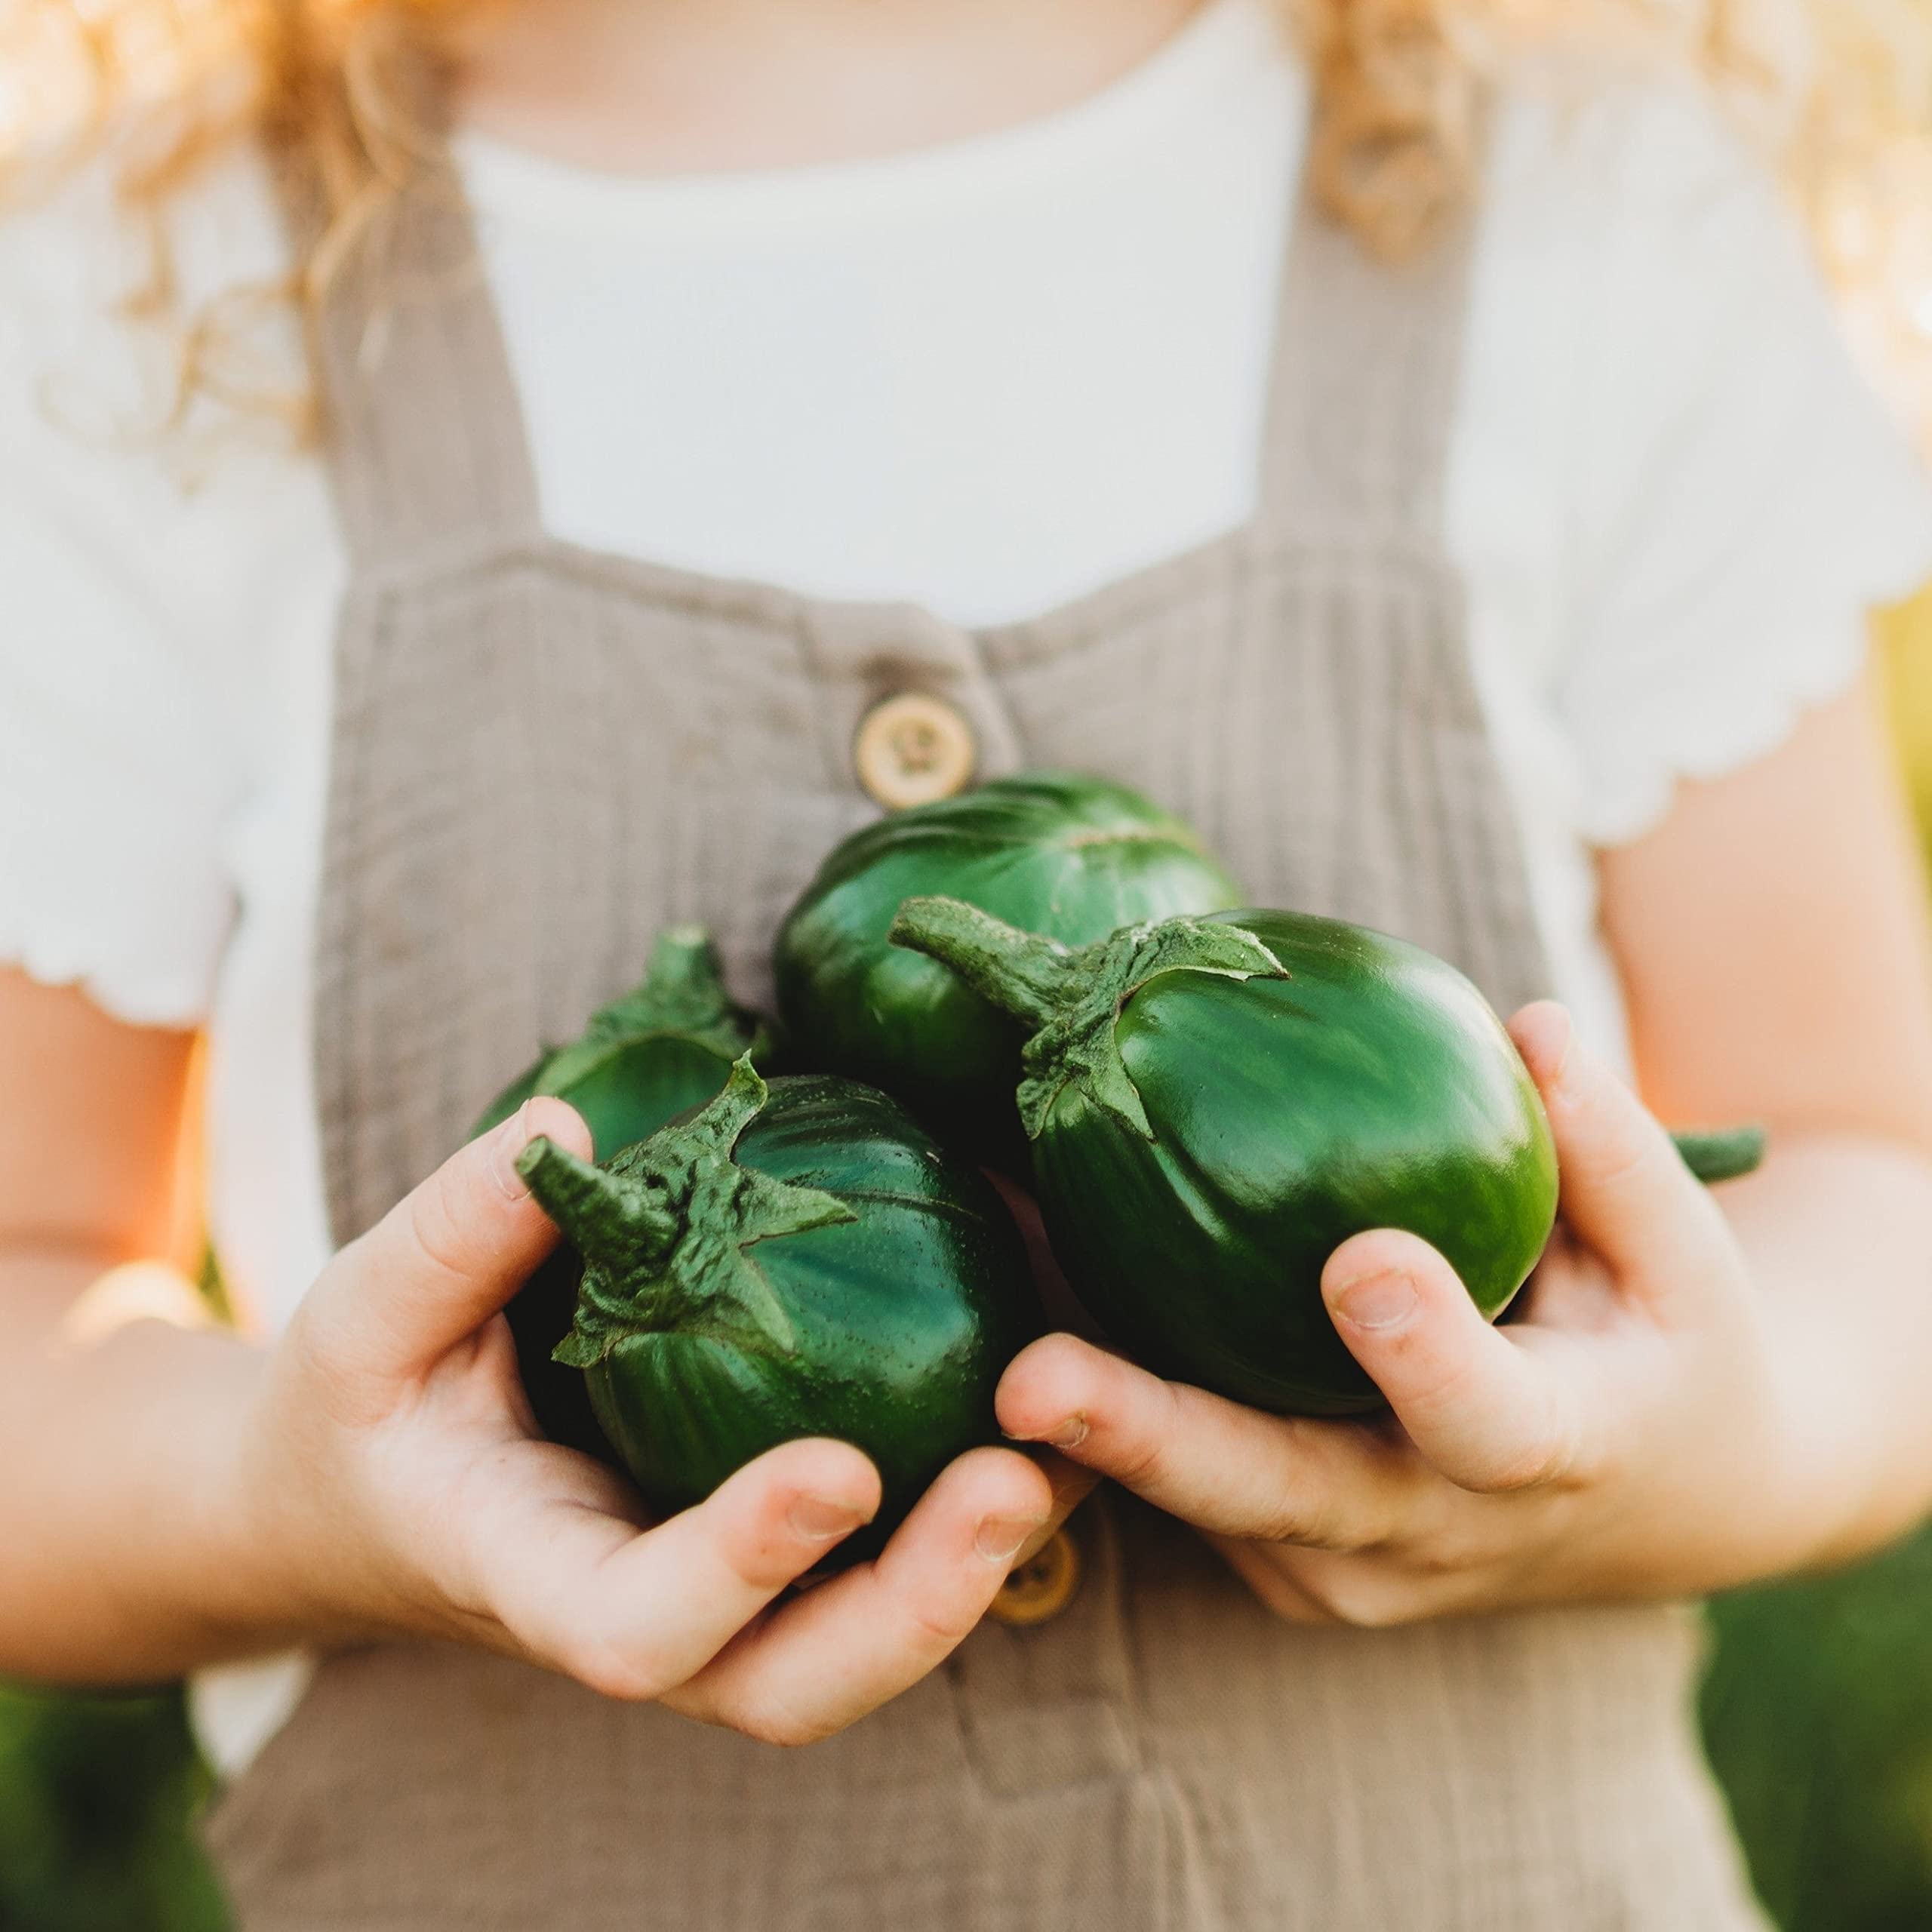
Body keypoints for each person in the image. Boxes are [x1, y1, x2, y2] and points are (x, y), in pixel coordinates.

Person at [5, 0, 1932, 1924]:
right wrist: (288, 1497)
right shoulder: (134, 300)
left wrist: (1695, 1443)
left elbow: (1871, 1170)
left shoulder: (1591, 185)